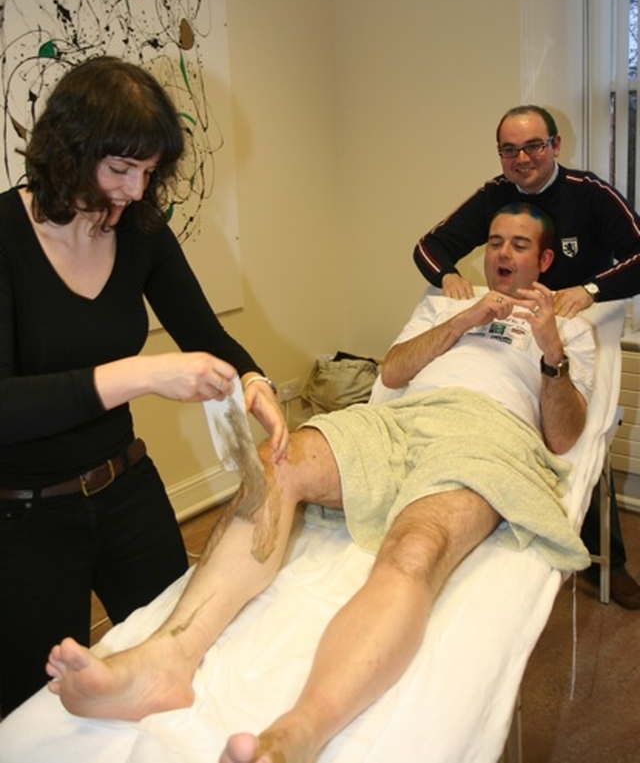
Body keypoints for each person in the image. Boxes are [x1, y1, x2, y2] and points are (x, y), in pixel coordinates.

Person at [47, 203, 595, 763]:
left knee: (414, 547)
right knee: (274, 463)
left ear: (545, 258)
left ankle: (295, 737)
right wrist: (463, 320)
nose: (502, 253)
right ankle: (166, 659)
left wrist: (551, 349)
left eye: (519, 245)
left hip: (485, 434)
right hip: (401, 419)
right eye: (495, 241)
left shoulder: (570, 329)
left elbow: (564, 436)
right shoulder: (447, 306)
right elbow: (392, 374)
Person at [0, 56, 287, 717]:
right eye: (120, 169)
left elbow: (203, 331)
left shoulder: (140, 232)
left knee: (175, 653)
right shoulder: (4, 238)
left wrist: (253, 379)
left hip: (125, 488)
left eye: (148, 171)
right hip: (25, 517)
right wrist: (146, 372)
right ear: (70, 151)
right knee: (34, 705)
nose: (134, 190)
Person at [413, 104, 640, 609]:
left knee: (580, 444)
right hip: (504, 333)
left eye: (534, 146)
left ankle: (610, 561)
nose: (523, 159)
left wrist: (591, 289)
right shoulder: (494, 194)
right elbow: (428, 246)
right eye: (510, 149)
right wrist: (448, 274)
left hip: (570, 328)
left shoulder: (591, 194)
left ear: (555, 146)